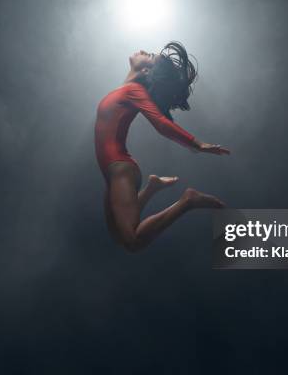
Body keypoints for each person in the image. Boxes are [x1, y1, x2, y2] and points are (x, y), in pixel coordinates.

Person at [94, 41, 230, 252]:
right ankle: (152, 187)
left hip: (120, 168)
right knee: (118, 236)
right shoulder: (128, 89)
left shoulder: (135, 91)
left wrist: (197, 143)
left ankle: (188, 201)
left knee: (132, 240)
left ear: (146, 69)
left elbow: (160, 121)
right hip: (112, 170)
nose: (143, 49)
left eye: (149, 55)